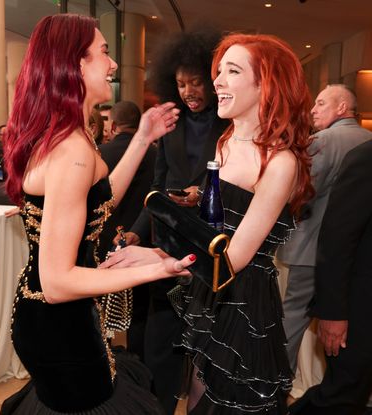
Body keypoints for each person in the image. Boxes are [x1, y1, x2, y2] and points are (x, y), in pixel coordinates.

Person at [0, 13, 196, 415]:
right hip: (58, 322)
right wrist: (158, 268)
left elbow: (97, 201)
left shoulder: (70, 134)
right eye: (104, 53)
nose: (114, 64)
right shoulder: (71, 149)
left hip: (57, 316)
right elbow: (57, 282)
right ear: (74, 64)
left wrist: (142, 138)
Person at [176, 32, 313, 414]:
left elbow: (233, 258)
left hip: (241, 298)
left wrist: (160, 263)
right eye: (219, 70)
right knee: (197, 393)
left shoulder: (280, 162)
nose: (216, 81)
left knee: (228, 402)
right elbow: (215, 221)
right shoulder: (226, 142)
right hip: (208, 284)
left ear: (266, 85)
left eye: (232, 71)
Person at [117, 28, 229, 414]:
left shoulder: (229, 125)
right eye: (180, 84)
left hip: (211, 245)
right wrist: (136, 229)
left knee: (206, 342)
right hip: (165, 243)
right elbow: (158, 189)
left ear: (212, 81)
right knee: (161, 338)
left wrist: (202, 195)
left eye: (196, 82)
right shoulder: (171, 126)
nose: (188, 92)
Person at [276, 84, 372, 373]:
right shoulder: (368, 140)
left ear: (342, 108)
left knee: (291, 322)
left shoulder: (323, 141)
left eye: (320, 103)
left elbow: (301, 194)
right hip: (358, 257)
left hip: (311, 252)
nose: (312, 110)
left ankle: (275, 383)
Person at [288, 139, 372, 415]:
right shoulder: (365, 157)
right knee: (341, 396)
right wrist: (332, 313)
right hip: (359, 312)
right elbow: (336, 240)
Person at [98, 100, 156, 360]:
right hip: (144, 239)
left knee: (100, 304)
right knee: (141, 310)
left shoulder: (99, 154)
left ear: (113, 125)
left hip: (103, 240)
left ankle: (105, 359)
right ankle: (139, 364)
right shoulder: (155, 153)